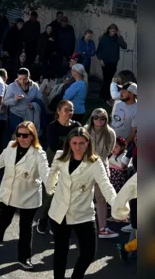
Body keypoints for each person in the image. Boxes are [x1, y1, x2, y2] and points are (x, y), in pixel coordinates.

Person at [47, 127, 117, 279]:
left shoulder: (95, 163)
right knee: (61, 252)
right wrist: (50, 188)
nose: (77, 147)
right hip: (60, 213)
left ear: (88, 144)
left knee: (88, 253)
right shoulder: (60, 156)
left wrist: (116, 204)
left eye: (81, 143)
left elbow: (105, 185)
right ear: (69, 143)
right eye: (74, 143)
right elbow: (52, 173)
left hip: (83, 213)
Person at [0, 122, 50, 270]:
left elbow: (46, 174)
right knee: (4, 220)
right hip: (9, 193)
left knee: (26, 228)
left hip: (29, 197)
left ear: (32, 136)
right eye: (19, 135)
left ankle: (24, 258)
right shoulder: (11, 146)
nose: (21, 138)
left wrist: (54, 186)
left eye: (25, 135)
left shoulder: (39, 154)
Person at [37, 99, 82, 235]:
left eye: (71, 110)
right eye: (66, 110)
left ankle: (57, 221)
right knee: (51, 192)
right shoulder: (52, 127)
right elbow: (54, 145)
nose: (69, 113)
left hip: (72, 162)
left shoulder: (77, 126)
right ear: (58, 111)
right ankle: (43, 219)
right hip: (54, 161)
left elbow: (82, 143)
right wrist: (73, 147)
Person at [83, 108, 117, 238]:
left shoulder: (110, 133)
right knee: (82, 196)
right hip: (85, 167)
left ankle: (103, 227)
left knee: (101, 199)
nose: (99, 120)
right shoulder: (85, 130)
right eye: (96, 117)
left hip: (102, 167)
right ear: (92, 118)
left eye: (102, 118)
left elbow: (109, 151)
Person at [3, 68, 43, 143]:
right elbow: (5, 102)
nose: (22, 81)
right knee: (18, 135)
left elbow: (40, 99)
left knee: (28, 135)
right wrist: (15, 99)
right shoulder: (12, 86)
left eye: (25, 79)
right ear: (17, 77)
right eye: (20, 79)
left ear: (29, 77)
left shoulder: (34, 86)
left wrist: (33, 104)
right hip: (16, 114)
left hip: (30, 114)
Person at [96, 24, 128, 101]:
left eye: (115, 31)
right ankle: (104, 95)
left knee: (109, 78)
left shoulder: (117, 38)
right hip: (105, 61)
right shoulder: (104, 38)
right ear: (109, 30)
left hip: (113, 62)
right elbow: (99, 50)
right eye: (112, 31)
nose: (113, 32)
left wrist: (119, 36)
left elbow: (124, 46)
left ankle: (104, 94)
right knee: (106, 79)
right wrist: (100, 59)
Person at [111, 82, 137, 148]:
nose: (120, 93)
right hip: (110, 140)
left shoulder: (137, 110)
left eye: (124, 91)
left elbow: (133, 133)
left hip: (120, 147)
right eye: (121, 90)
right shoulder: (119, 104)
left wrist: (121, 146)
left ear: (131, 93)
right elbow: (114, 121)